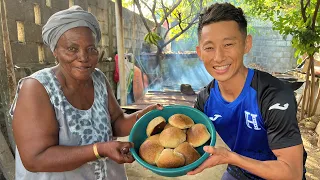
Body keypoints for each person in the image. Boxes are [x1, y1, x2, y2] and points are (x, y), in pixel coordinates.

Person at [9, 6, 162, 180]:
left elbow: (116, 122)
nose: (84, 57)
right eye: (72, 49)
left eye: (91, 49)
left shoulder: (98, 79)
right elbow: (35, 159)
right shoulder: (37, 88)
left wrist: (143, 116)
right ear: (55, 51)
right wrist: (100, 149)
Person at [188, 3, 307, 180]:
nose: (219, 57)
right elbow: (184, 136)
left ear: (246, 44)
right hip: (239, 171)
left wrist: (232, 158)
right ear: (199, 52)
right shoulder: (206, 99)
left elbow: (292, 172)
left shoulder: (272, 95)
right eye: (209, 47)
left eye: (228, 44)